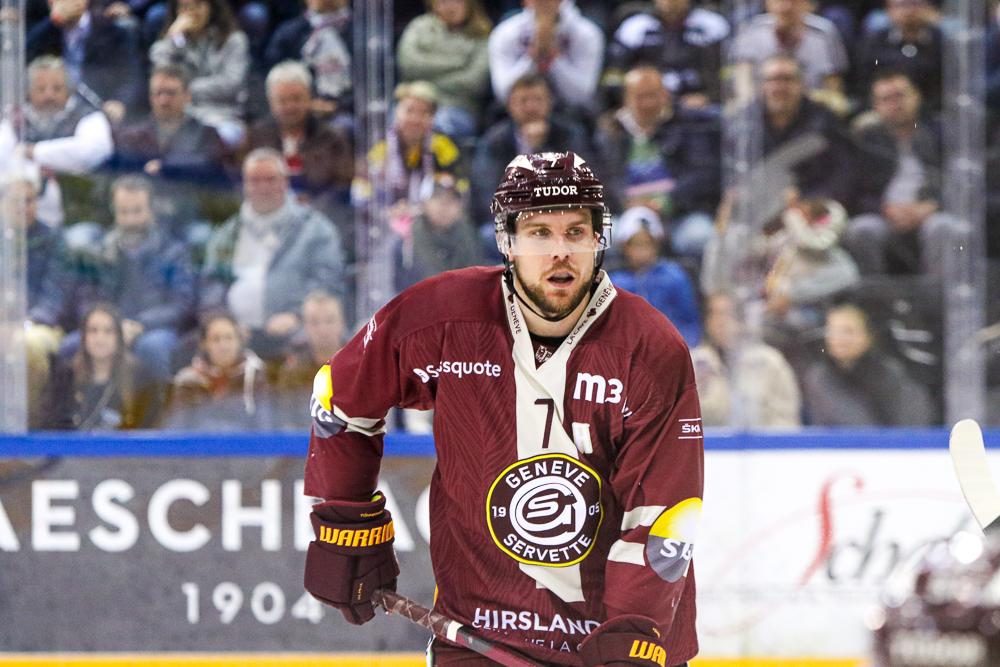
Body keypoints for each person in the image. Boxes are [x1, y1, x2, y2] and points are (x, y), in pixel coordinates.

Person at [303, 151, 703, 667]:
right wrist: (346, 518)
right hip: (480, 631)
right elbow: (340, 396)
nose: (560, 252)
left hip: (614, 639)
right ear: (506, 240)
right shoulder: (442, 318)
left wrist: (632, 631)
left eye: (575, 232)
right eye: (539, 233)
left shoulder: (650, 349)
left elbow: (663, 513)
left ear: (598, 238)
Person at [200, 148, 346, 361]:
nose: (263, 187)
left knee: (307, 342)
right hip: (236, 333)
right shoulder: (226, 234)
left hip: (296, 328)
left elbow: (327, 283)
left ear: (286, 182)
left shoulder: (316, 230)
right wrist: (227, 322)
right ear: (244, 185)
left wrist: (297, 315)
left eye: (270, 179)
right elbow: (211, 287)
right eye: (255, 180)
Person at [801, 302, 933, 425]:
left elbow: (912, 421)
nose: (839, 339)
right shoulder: (819, 378)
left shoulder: (889, 374)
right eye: (832, 331)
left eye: (848, 331)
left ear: (868, 336)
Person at [690, 292, 802, 429]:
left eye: (727, 314)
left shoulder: (770, 362)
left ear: (741, 320)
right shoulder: (693, 362)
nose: (721, 322)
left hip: (764, 440)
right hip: (710, 441)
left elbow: (786, 418)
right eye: (715, 314)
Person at [41, 303, 159, 430]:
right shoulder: (65, 377)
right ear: (83, 337)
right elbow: (49, 427)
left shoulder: (140, 376)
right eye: (93, 331)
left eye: (108, 331)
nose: (100, 338)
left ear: (119, 337)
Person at [148, 0, 250, 145]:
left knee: (221, 137)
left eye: (197, 5)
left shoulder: (234, 40)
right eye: (184, 6)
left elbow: (231, 84)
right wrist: (172, 39)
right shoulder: (174, 42)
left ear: (210, 7)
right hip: (180, 115)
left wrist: (186, 90)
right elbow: (161, 76)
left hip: (220, 115)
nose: (191, 12)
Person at [397, 0, 493, 140]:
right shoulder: (419, 27)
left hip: (458, 107)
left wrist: (428, 81)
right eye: (443, 1)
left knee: (438, 124)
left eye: (456, 1)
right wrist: (457, 63)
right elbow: (408, 65)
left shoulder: (482, 34)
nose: (450, 6)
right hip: (416, 101)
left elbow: (474, 82)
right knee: (399, 120)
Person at [163, 310, 273, 430]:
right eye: (216, 339)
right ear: (204, 344)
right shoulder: (189, 380)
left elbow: (265, 425)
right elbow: (177, 428)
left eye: (229, 338)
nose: (224, 346)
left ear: (239, 341)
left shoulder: (256, 374)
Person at [608, 206, 702, 347]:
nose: (642, 251)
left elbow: (689, 321)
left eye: (647, 244)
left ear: (657, 244)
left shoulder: (674, 276)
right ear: (624, 246)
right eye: (636, 245)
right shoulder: (615, 283)